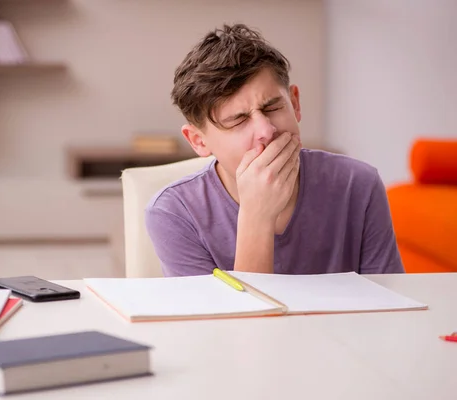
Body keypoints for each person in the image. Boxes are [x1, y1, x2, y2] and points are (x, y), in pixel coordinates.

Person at [145, 23, 404, 277]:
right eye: (238, 120)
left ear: (295, 103)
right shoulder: (174, 213)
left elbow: (391, 309)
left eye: (272, 108)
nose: (266, 130)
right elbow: (232, 321)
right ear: (198, 141)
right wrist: (257, 216)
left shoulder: (359, 185)